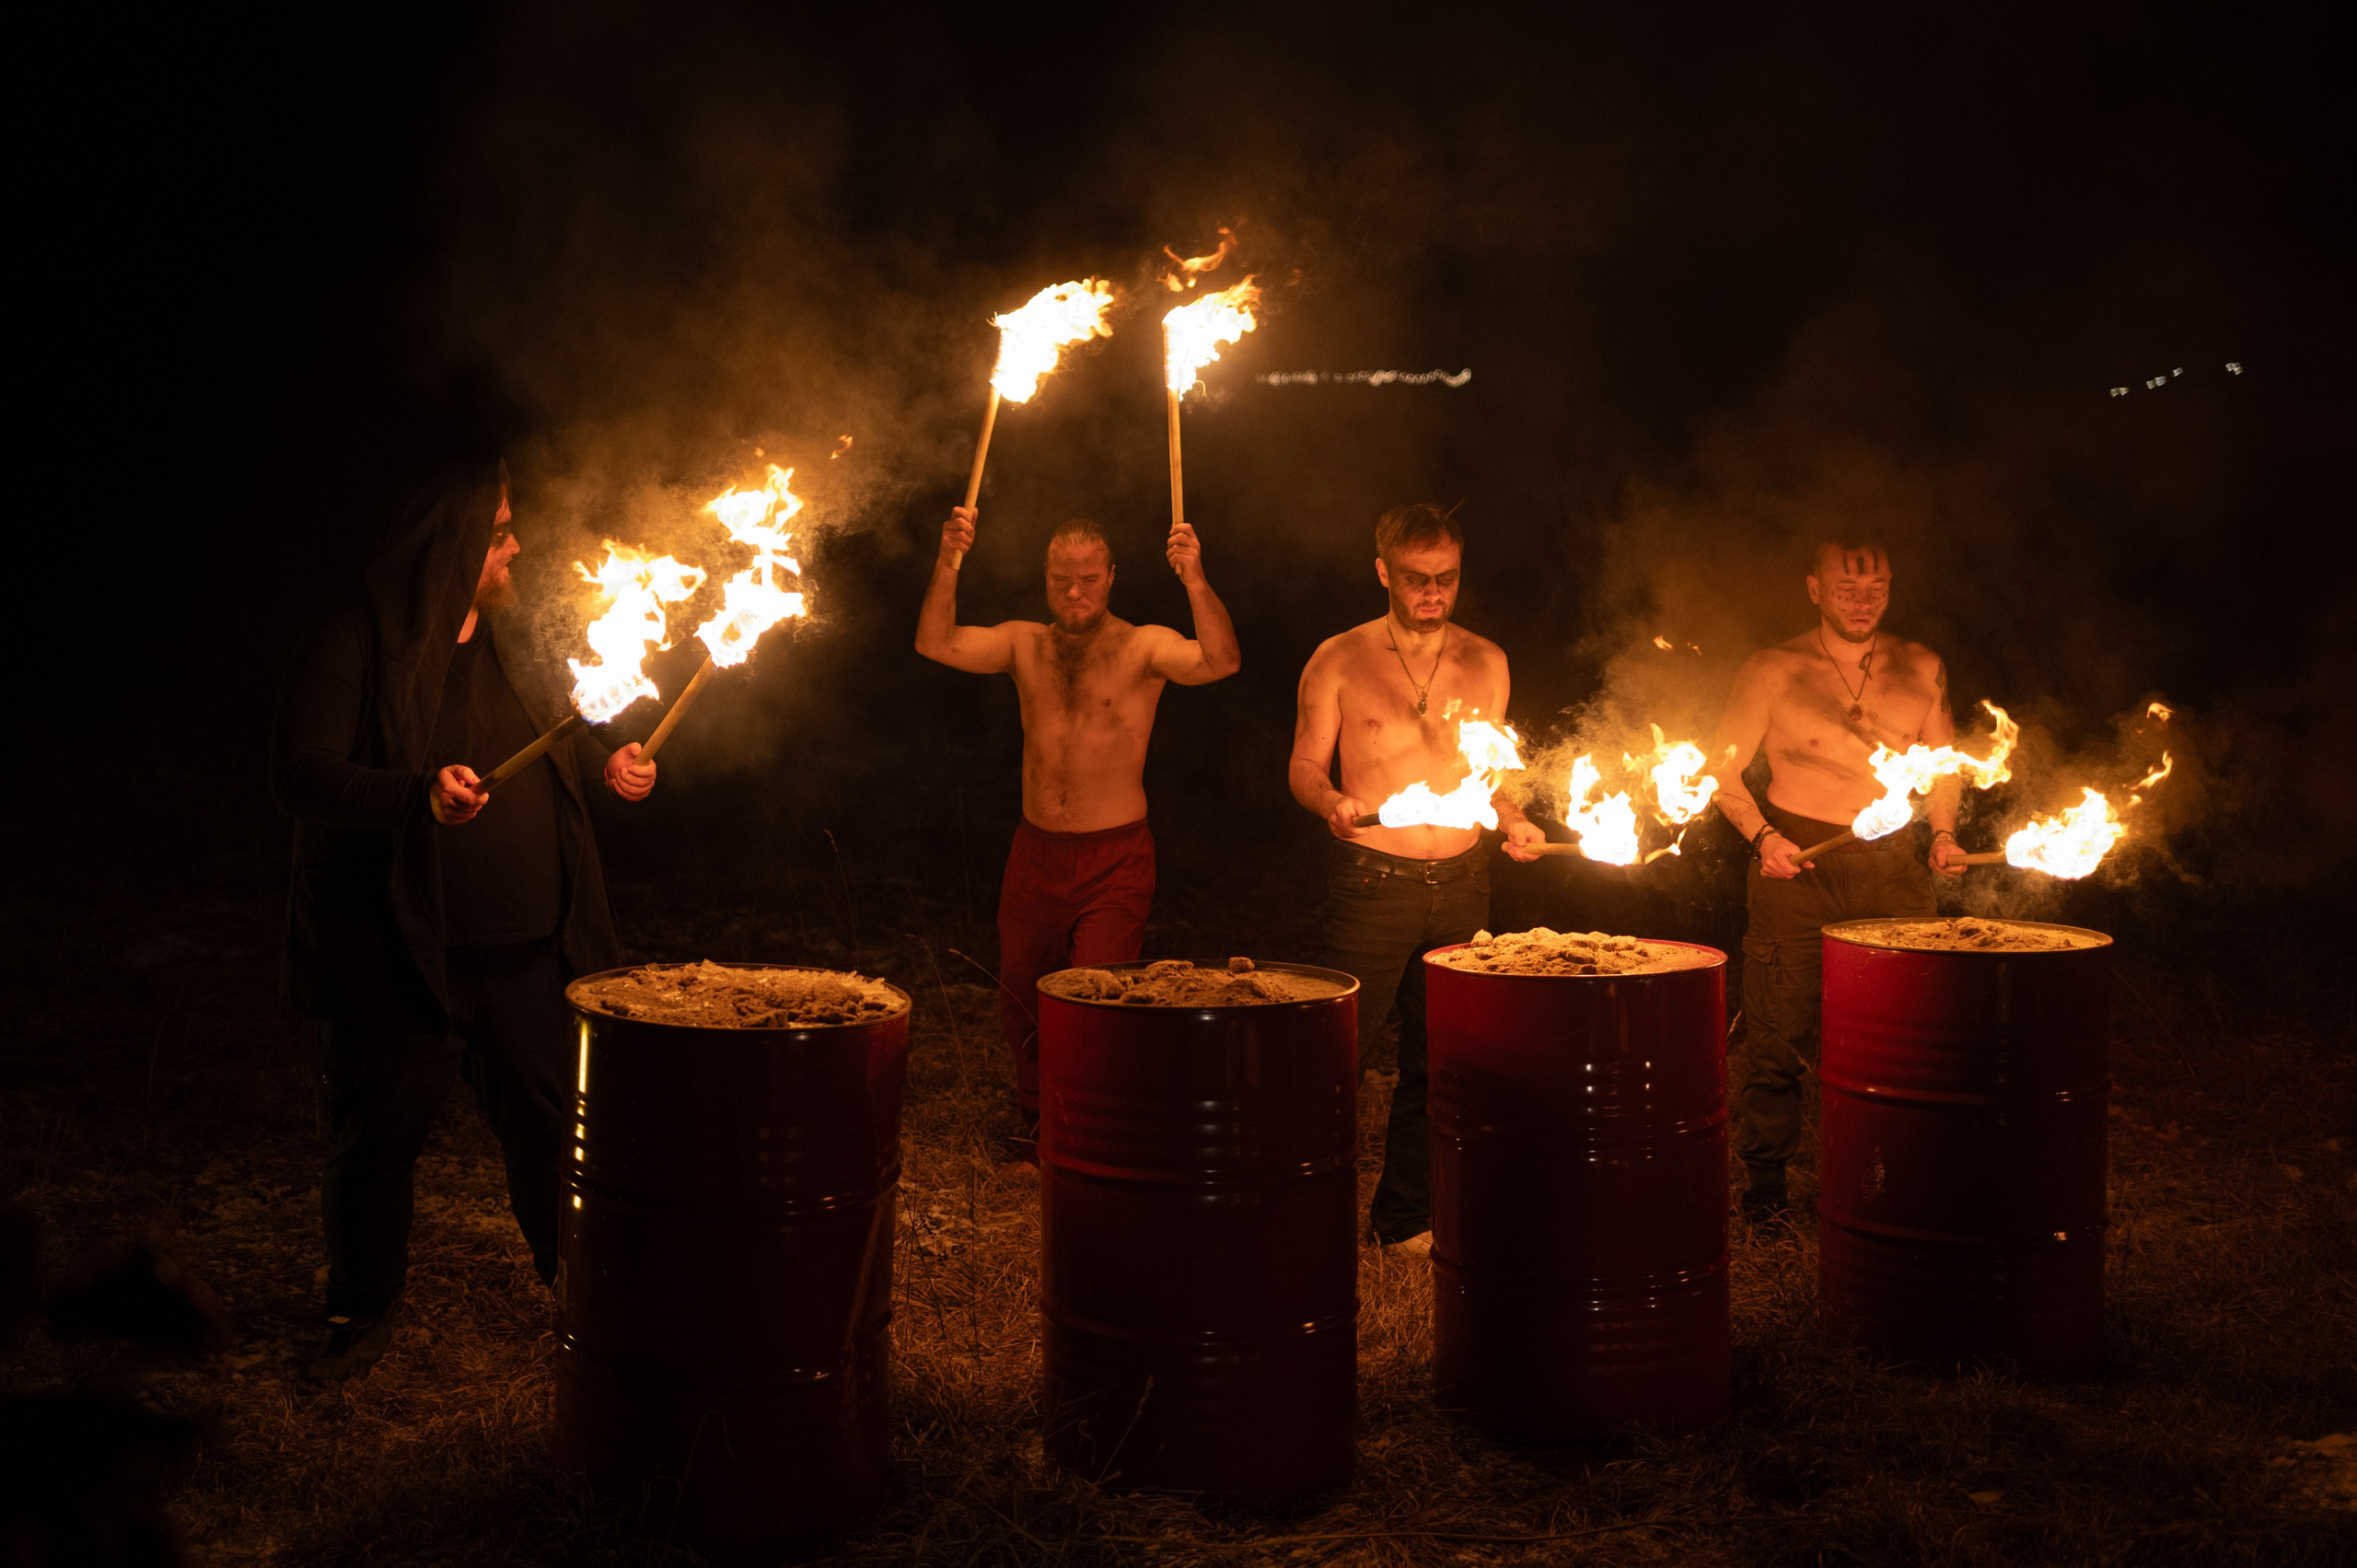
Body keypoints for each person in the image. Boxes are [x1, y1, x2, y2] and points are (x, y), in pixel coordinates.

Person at [270, 464, 658, 1381]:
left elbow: (581, 711)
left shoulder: (516, 634)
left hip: (527, 950)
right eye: (498, 533)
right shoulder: (357, 639)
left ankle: (579, 1290)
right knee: (376, 1138)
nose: (515, 546)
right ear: (446, 546)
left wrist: (617, 756)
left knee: (552, 1124)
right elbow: (301, 774)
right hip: (401, 952)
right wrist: (418, 795)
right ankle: (361, 1308)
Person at [915, 507, 1241, 1152]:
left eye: (1088, 578)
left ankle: (1092, 1132)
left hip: (1114, 857)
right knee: (1022, 1002)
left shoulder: (1142, 645)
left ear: (1112, 576)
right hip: (1035, 853)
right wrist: (949, 559)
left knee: (1093, 999)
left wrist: (1196, 580)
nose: (1074, 591)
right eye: (1062, 578)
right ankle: (1043, 1127)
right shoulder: (1023, 642)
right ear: (1045, 576)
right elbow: (936, 641)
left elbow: (1220, 659)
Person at [1288, 504, 1545, 1252]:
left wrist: (1513, 818)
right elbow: (1305, 765)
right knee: (1334, 1060)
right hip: (1375, 882)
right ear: (1383, 573)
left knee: (1440, 1064)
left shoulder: (1487, 660)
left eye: (1447, 578)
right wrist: (1333, 801)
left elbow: (1490, 776)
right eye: (1416, 579)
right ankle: (1302, 1215)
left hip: (1463, 884)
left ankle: (1403, 1219)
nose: (1433, 592)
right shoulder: (1338, 658)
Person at [1706, 540, 1968, 1224]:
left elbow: (1943, 766)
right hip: (1797, 862)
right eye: (1847, 589)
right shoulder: (1773, 669)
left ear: (1890, 586)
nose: (1863, 601)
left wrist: (1941, 832)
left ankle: (1899, 1182)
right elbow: (1720, 771)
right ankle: (1766, 1188)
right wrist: (1765, 839)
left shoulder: (1922, 666)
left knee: (1909, 1033)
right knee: (1776, 1034)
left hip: (1892, 868)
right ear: (1815, 589)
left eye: (1876, 587)